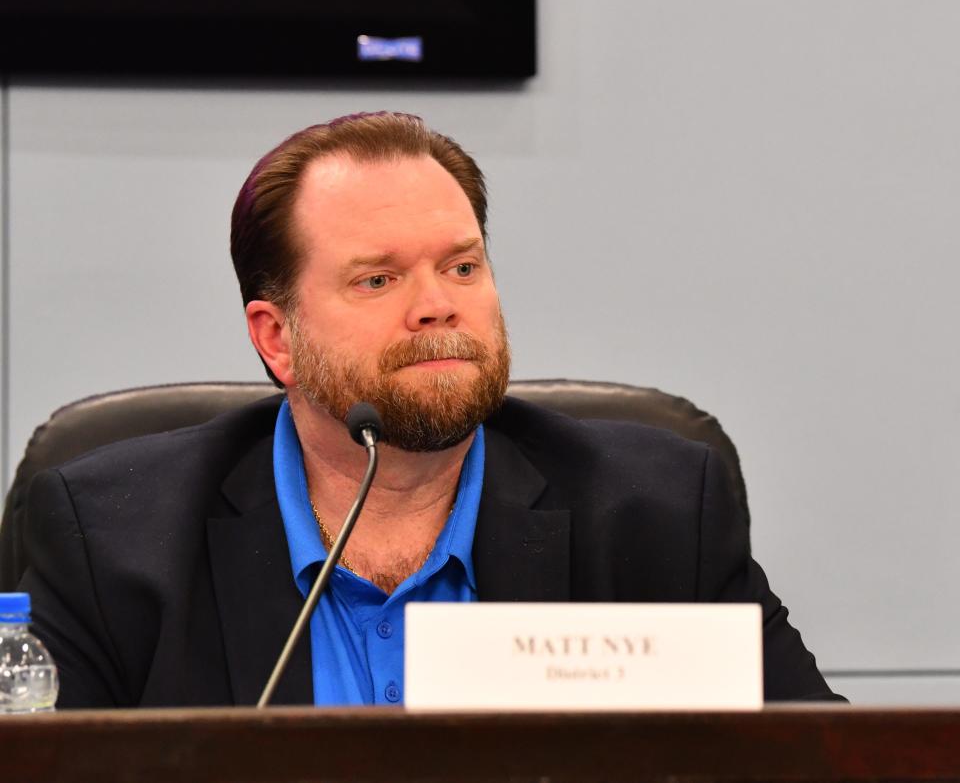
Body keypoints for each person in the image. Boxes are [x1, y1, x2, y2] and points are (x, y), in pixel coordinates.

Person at [20, 112, 841, 707]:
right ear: (278, 340)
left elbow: (827, 766)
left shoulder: (655, 514)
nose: (437, 307)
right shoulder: (114, 538)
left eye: (461, 267)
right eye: (378, 279)